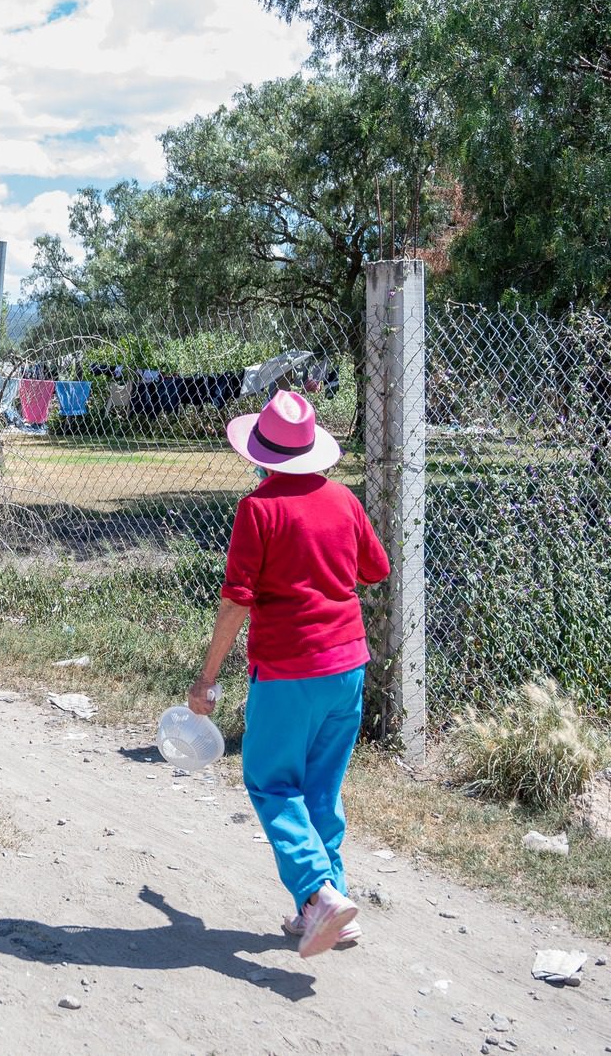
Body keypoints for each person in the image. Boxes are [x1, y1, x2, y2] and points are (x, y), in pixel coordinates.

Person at [186, 388, 388, 960]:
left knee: (272, 783)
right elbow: (376, 568)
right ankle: (330, 912)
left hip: (287, 670)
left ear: (262, 454)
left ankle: (317, 893)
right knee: (321, 790)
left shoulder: (258, 509)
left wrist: (206, 680)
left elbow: (235, 602)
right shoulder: (344, 501)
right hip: (348, 665)